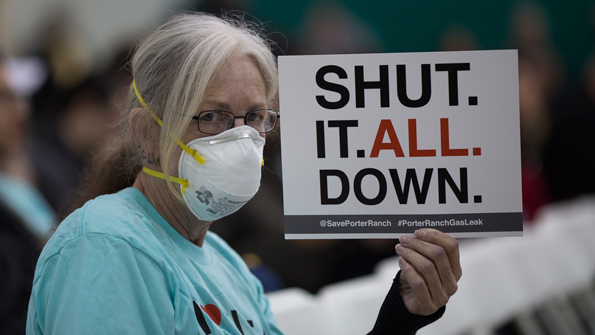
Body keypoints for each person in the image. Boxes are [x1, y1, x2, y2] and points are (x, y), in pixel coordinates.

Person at [26, 12, 462, 334]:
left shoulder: (226, 264)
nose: (240, 139)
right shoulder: (105, 247)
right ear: (146, 133)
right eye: (212, 116)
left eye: (254, 116)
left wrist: (400, 318)